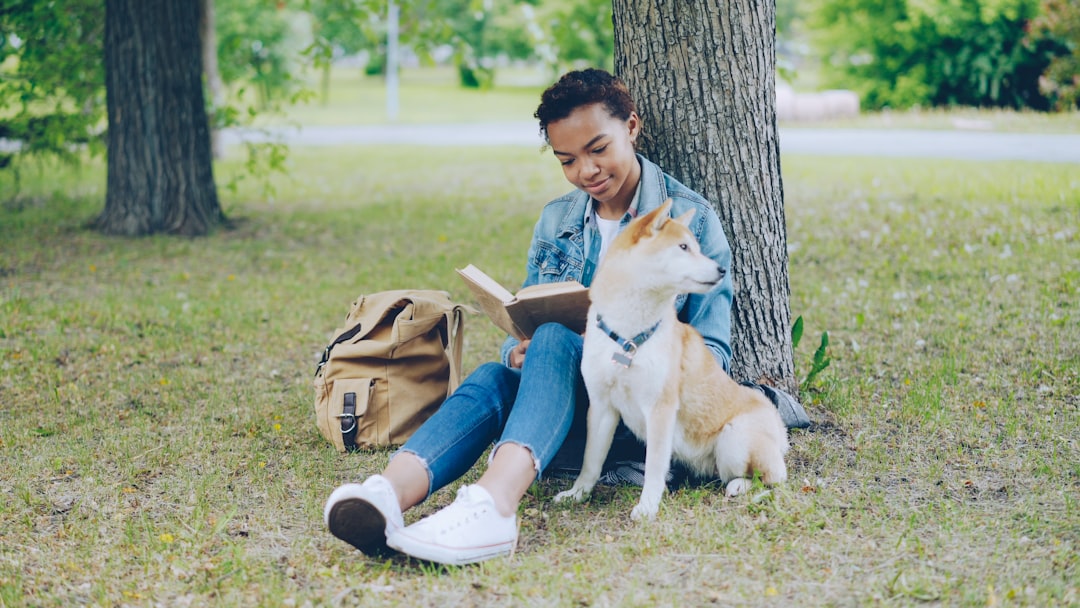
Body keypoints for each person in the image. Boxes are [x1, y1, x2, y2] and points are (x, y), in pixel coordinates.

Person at [323, 68, 808, 567]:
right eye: (567, 160)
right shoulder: (557, 220)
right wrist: (517, 350)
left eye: (599, 149)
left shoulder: (690, 219)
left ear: (632, 127)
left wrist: (630, 347)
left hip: (636, 413)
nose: (587, 171)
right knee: (498, 372)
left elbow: (713, 351)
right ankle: (388, 494)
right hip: (560, 398)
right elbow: (531, 320)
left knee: (557, 338)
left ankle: (494, 506)